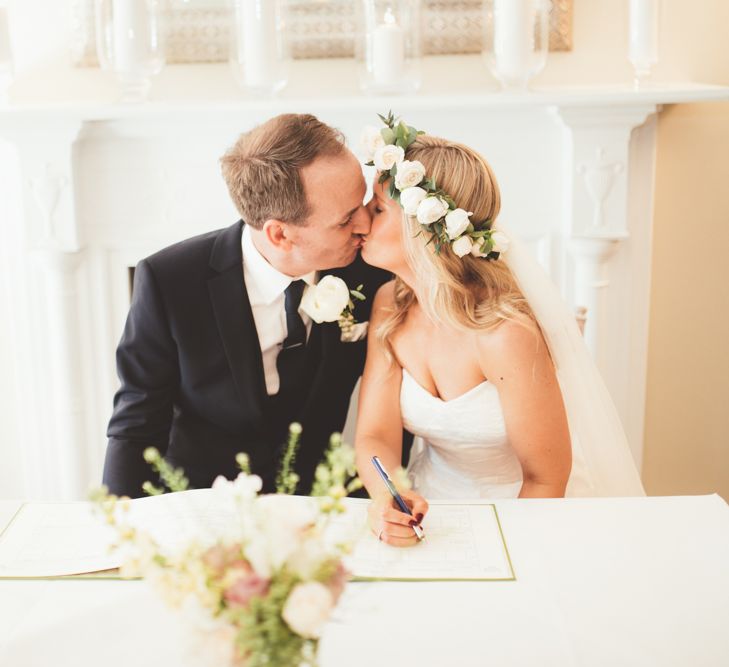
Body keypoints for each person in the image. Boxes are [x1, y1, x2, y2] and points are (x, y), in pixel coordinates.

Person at [354, 116, 645, 547]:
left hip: (527, 515)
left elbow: (547, 479)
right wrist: (387, 497)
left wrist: (501, 555)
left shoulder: (504, 333)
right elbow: (374, 434)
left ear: (425, 231)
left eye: (378, 209)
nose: (360, 219)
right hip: (432, 513)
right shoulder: (389, 305)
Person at [102, 113, 389, 498]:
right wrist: (119, 529)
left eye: (364, 203)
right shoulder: (170, 281)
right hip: (203, 502)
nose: (365, 224)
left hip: (319, 502)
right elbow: (136, 425)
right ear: (279, 234)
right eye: (345, 219)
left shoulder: (372, 269)